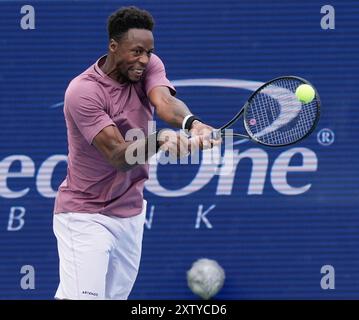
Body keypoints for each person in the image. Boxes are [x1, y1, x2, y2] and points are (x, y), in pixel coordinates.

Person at [53, 5, 217, 300]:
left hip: (130, 214)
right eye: (136, 52)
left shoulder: (149, 67)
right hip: (85, 215)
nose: (143, 60)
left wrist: (193, 123)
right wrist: (161, 139)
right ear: (113, 46)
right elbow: (118, 156)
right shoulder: (83, 92)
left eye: (149, 52)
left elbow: (165, 103)